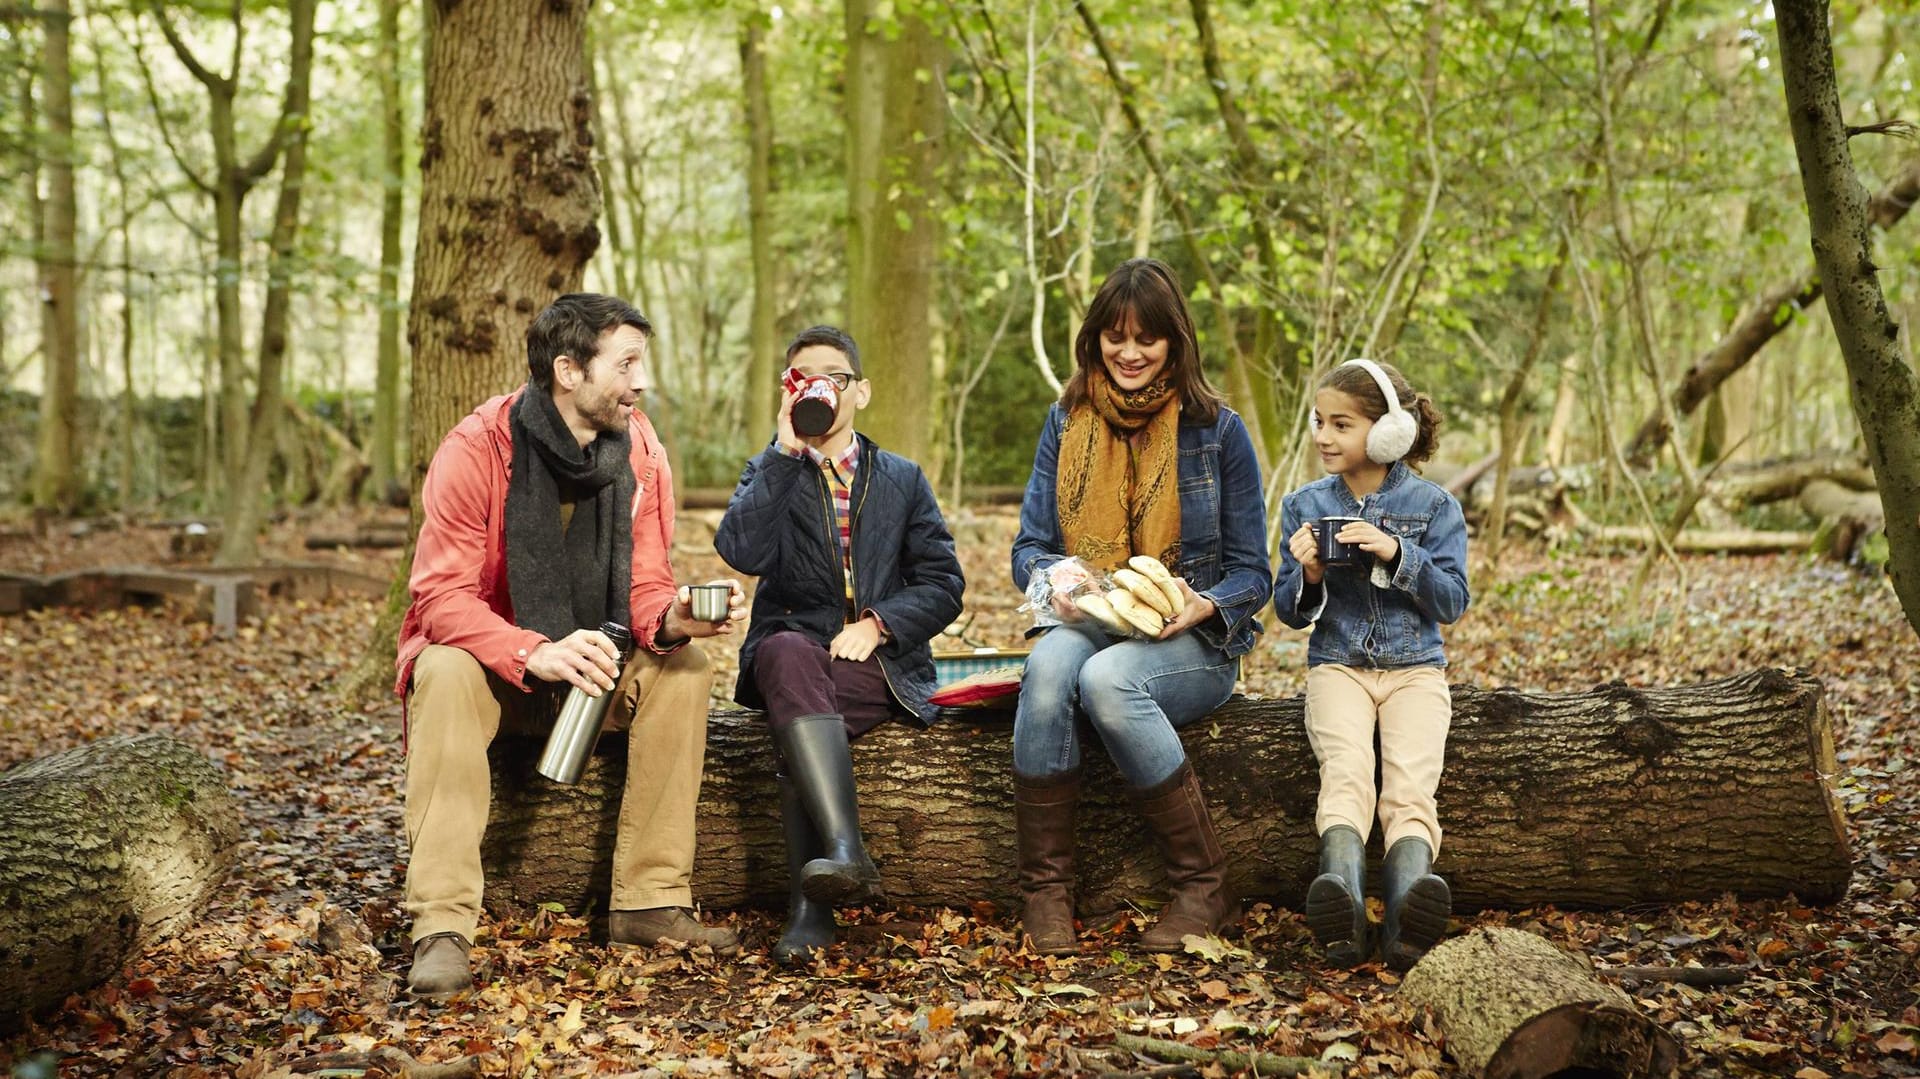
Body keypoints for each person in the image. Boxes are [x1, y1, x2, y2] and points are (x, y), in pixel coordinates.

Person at [395, 293, 744, 998]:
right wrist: (533, 650)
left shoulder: (640, 448)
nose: (641, 381)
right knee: (442, 665)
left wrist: (673, 619)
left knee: (686, 667)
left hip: (599, 662)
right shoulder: (477, 448)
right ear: (567, 370)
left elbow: (646, 583)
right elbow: (439, 599)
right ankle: (441, 926)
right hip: (498, 669)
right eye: (626, 363)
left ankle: (649, 900)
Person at [1008, 258, 1272, 955]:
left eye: (1146, 338)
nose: (1129, 352)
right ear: (1094, 338)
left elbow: (1255, 573)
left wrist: (1203, 603)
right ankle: (1047, 891)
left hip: (1191, 644)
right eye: (1115, 336)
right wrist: (1056, 576)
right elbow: (1029, 546)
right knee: (1048, 670)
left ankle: (1203, 884)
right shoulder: (1066, 420)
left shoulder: (1219, 431)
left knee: (1107, 679)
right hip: (1091, 620)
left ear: (1174, 342)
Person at [714, 325, 966, 965]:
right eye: (802, 377)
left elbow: (944, 583)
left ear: (861, 392)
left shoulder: (903, 479)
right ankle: (845, 854)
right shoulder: (772, 470)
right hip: (790, 656)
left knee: (799, 711)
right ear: (787, 391)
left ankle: (813, 905)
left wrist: (878, 624)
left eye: (835, 376)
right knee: (788, 655)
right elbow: (739, 551)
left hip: (878, 669)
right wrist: (782, 452)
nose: (820, 388)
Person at [1272, 357, 1470, 972]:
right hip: (1338, 666)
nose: (1323, 437)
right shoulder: (1303, 504)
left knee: (1410, 787)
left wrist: (1396, 552)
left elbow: (1453, 601)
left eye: (1341, 425)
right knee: (1347, 773)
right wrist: (1307, 573)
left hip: (1416, 670)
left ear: (1386, 433)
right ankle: (1345, 908)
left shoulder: (1434, 506)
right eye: (1318, 422)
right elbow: (1288, 612)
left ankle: (1410, 913)